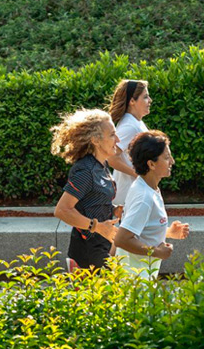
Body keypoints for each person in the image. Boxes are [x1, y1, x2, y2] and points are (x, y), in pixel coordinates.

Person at [113, 130, 190, 279]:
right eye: (167, 157)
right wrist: (157, 252)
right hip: (135, 281)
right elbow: (122, 239)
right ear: (151, 164)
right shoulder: (144, 197)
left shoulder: (148, 188)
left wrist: (167, 232)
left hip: (140, 278)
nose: (172, 161)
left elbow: (140, 230)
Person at [50, 109, 120, 270]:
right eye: (112, 135)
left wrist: (115, 210)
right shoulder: (85, 170)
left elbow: (90, 201)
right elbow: (62, 210)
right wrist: (97, 227)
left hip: (103, 246)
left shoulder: (101, 165)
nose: (118, 139)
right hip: (89, 251)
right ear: (96, 139)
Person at [107, 79, 152, 214]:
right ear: (132, 101)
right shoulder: (129, 125)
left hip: (136, 192)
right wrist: (139, 174)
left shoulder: (136, 122)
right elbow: (111, 158)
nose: (150, 100)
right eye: (145, 97)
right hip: (128, 194)